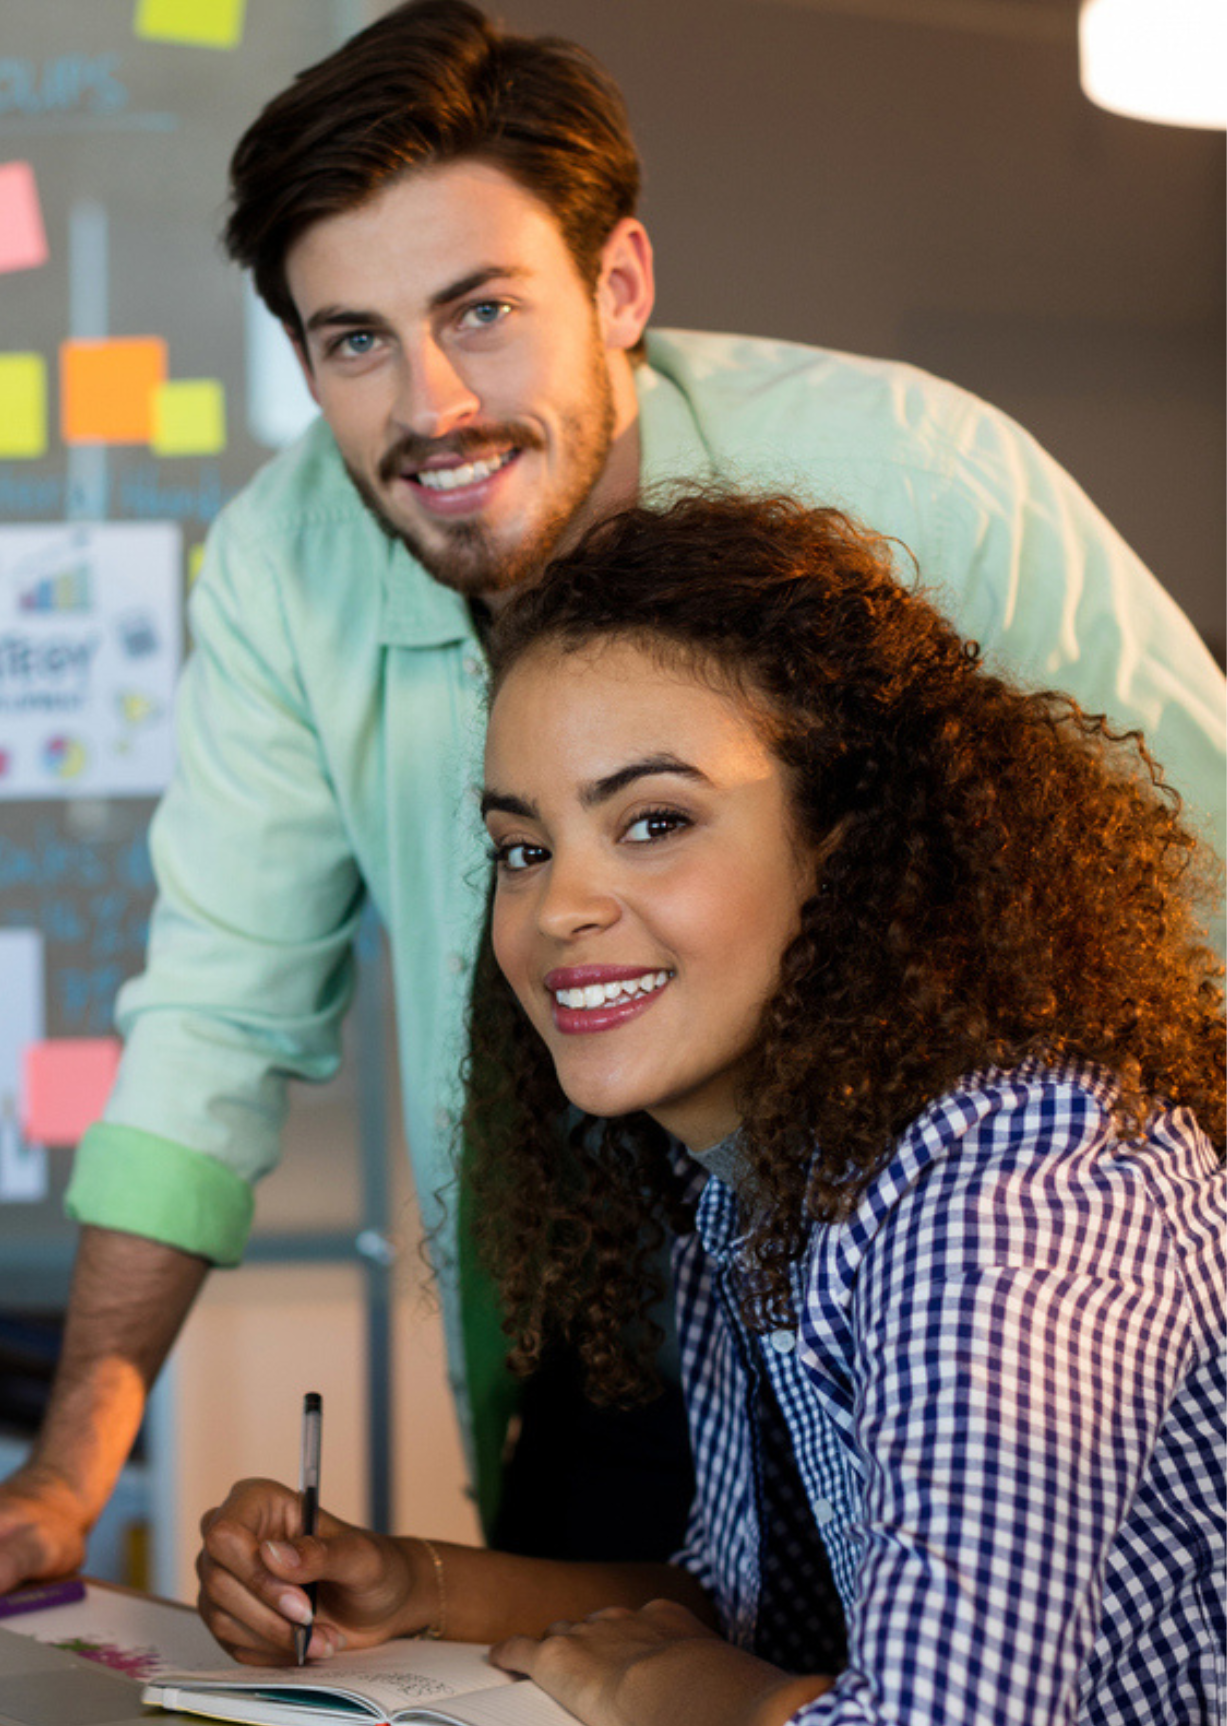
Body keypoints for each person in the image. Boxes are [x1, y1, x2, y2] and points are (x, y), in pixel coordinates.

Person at [0, 0, 1227, 1600]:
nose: (431, 409)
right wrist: (63, 1477)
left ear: (619, 287)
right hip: (617, 1275)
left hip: (978, 1272)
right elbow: (215, 1018)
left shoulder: (914, 475)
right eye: (355, 342)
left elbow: (1195, 882)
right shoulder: (284, 562)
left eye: (479, 312)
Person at [193, 491, 1225, 1726]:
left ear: (847, 850)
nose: (559, 905)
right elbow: (732, 1608)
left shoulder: (1015, 1180)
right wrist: (413, 1583)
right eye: (523, 847)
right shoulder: (754, 1177)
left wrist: (715, 1705)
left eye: (656, 822)